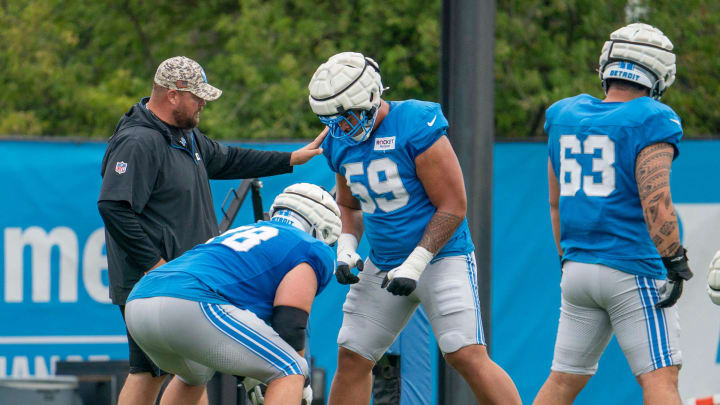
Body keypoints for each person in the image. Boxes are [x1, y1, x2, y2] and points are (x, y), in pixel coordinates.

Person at [97, 56, 326, 405]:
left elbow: (229, 158)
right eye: (197, 96)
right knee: (149, 371)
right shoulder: (138, 141)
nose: (203, 102)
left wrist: (289, 159)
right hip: (150, 278)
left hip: (185, 280)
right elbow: (113, 206)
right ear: (173, 95)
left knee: (191, 371)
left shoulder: (185, 136)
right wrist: (154, 263)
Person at [307, 51, 522, 405]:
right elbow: (348, 205)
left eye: (350, 116)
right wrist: (346, 247)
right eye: (334, 120)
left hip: (442, 258)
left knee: (463, 353)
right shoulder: (338, 142)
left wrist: (416, 263)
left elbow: (453, 206)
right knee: (353, 355)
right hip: (382, 263)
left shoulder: (415, 122)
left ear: (374, 96)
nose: (343, 128)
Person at [534, 23, 693, 405]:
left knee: (562, 381)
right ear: (658, 72)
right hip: (631, 267)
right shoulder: (653, 117)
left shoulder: (564, 114)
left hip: (577, 269)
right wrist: (674, 258)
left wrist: (567, 258)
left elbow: (555, 204)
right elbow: (655, 200)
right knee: (661, 377)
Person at [124, 183, 340, 405]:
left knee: (193, 376)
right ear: (321, 229)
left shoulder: (242, 232)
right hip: (192, 303)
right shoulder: (311, 247)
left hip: (141, 298)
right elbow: (290, 322)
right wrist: (298, 382)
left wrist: (253, 373)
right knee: (291, 368)